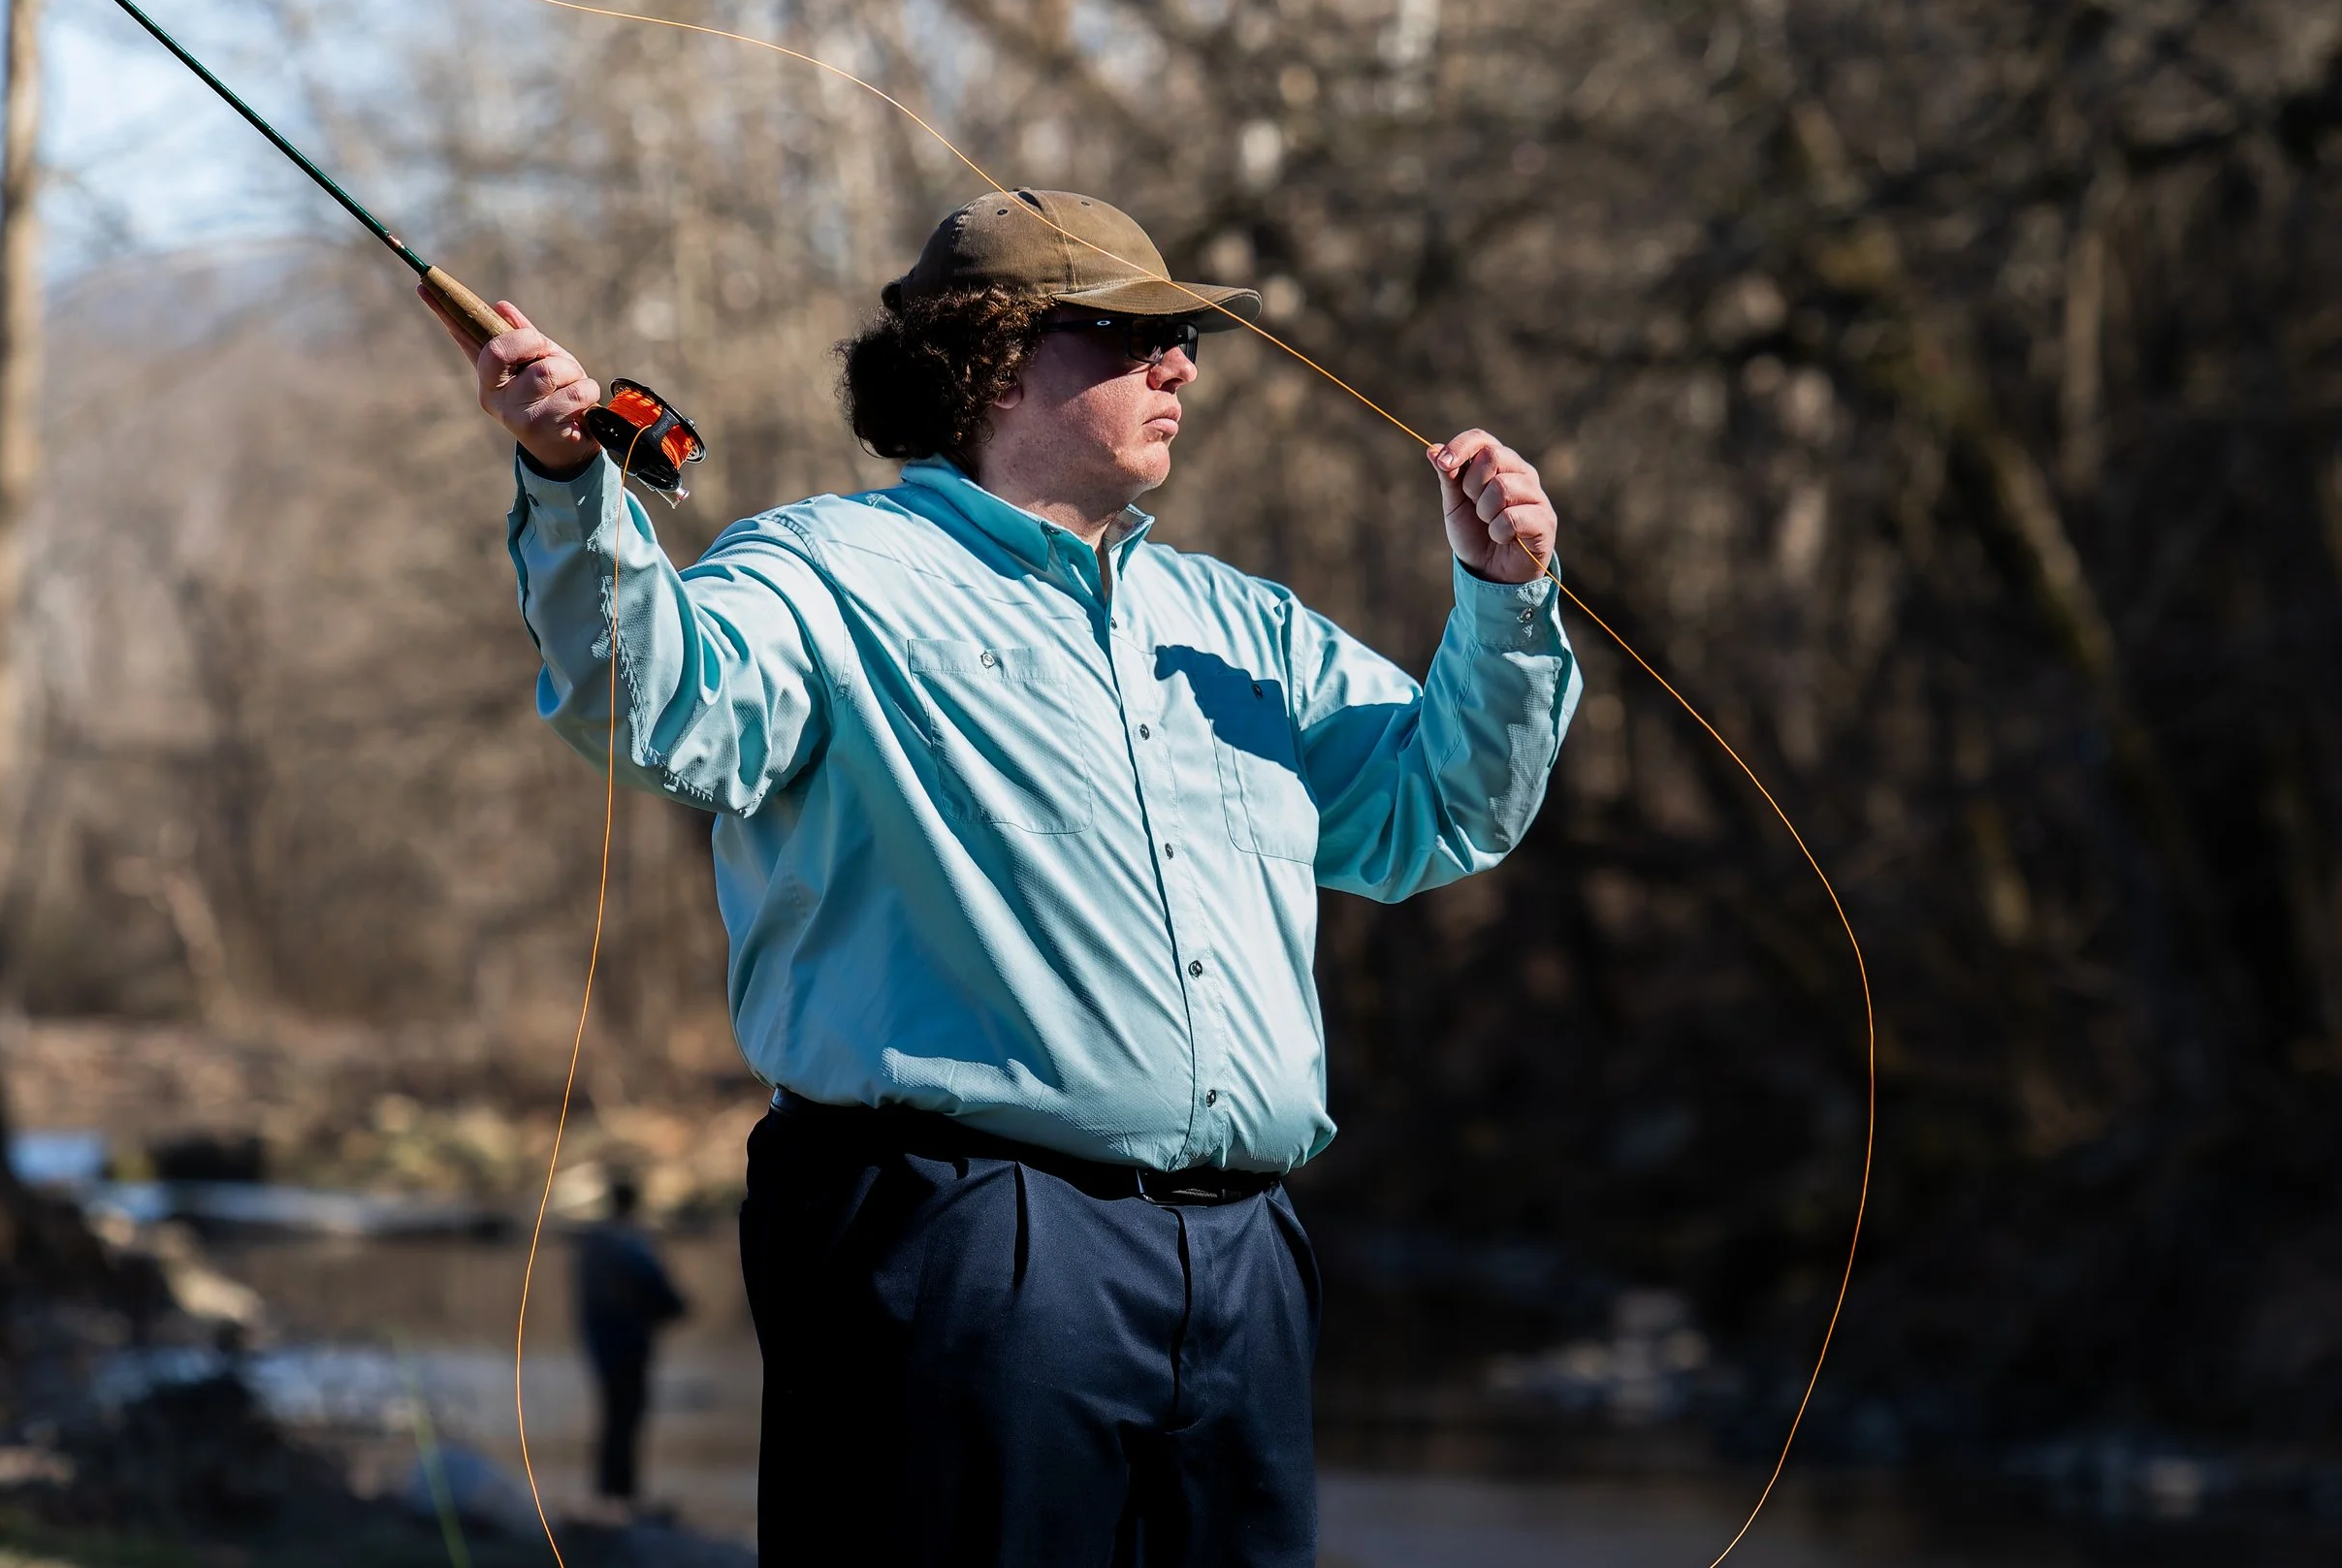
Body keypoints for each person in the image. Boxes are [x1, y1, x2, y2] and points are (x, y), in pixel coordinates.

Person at [433, 189, 1580, 1566]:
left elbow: (1442, 811)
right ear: (1000, 357)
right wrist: (572, 484)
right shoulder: (828, 571)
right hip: (959, 1243)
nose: (1182, 366)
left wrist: (1503, 601)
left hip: (1248, 1268)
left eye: (1184, 341)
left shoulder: (1243, 624)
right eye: (1133, 335)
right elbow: (656, 706)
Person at [573, 1173, 687, 1513]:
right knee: (626, 1415)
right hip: (627, 1342)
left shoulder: (593, 1242)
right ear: (633, 1201)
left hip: (601, 1342)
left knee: (614, 1414)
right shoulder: (630, 1241)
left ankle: (611, 1491)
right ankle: (621, 1494)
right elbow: (657, 1288)